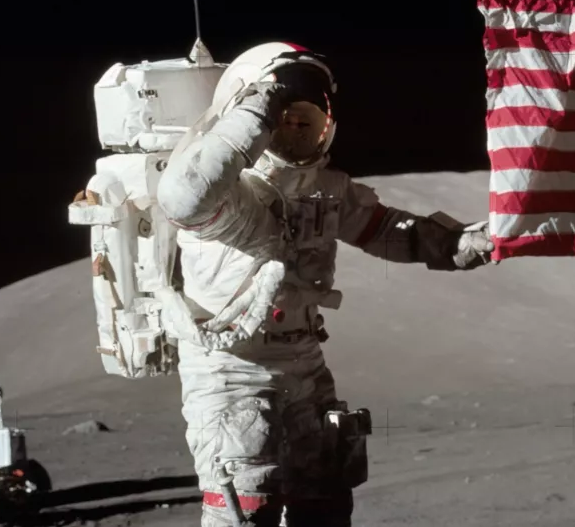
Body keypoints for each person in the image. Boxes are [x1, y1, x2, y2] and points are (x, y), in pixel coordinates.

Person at [156, 41, 495, 527]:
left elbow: (386, 230)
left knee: (325, 498)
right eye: (283, 119)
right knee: (248, 506)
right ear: (253, 117)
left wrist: (459, 244)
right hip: (232, 367)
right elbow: (184, 199)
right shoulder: (229, 198)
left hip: (304, 364)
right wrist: (260, 103)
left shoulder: (325, 190)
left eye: (305, 122)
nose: (294, 132)